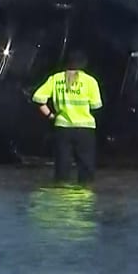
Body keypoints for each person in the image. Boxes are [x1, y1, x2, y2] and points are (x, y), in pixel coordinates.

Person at [31, 50, 103, 185]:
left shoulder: (56, 79)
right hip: (85, 128)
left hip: (62, 128)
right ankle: (84, 197)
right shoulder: (90, 81)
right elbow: (96, 106)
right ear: (84, 64)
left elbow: (38, 99)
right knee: (86, 167)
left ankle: (62, 196)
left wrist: (51, 115)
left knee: (62, 166)